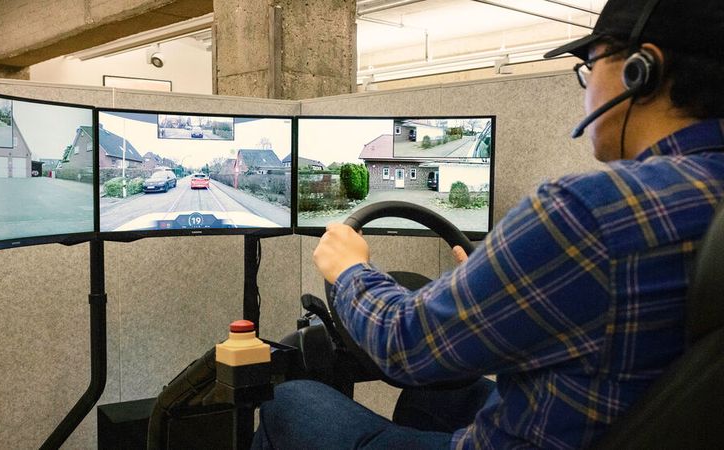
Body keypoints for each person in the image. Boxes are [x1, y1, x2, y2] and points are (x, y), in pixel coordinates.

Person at [252, 0, 724, 448]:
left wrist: (350, 269)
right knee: (438, 395)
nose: (587, 86)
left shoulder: (587, 212)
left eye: (590, 64)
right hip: (617, 420)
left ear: (643, 69)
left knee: (290, 402)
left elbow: (405, 344)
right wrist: (502, 273)